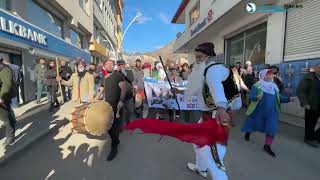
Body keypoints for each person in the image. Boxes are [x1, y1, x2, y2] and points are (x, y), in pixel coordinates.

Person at [183, 42, 239, 180]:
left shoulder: (212, 70)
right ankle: (201, 168)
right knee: (197, 142)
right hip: (209, 116)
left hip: (217, 116)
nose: (197, 60)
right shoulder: (207, 70)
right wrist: (178, 90)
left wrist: (221, 108)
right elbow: (200, 89)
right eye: (196, 57)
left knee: (213, 156)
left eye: (200, 57)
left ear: (208, 56)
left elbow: (216, 89)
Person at [241, 69, 294, 157]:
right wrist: (256, 97)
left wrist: (288, 99)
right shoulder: (257, 85)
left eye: (271, 74)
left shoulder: (274, 86)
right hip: (259, 111)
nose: (269, 76)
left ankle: (267, 146)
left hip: (272, 112)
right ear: (262, 75)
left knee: (271, 128)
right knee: (253, 124)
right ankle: (248, 132)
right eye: (267, 74)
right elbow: (251, 97)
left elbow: (279, 97)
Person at [95, 59, 130, 161]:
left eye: (111, 64)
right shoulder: (104, 77)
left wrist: (121, 101)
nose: (109, 66)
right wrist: (95, 99)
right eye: (107, 64)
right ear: (104, 66)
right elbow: (102, 89)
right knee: (108, 126)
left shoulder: (117, 75)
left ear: (113, 66)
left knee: (114, 128)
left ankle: (114, 148)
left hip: (116, 106)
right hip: (107, 106)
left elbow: (123, 89)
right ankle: (116, 140)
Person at [297, 63, 320, 148]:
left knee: (312, 123)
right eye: (318, 68)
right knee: (310, 124)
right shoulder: (309, 78)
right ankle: (308, 139)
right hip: (311, 105)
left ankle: (316, 137)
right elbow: (301, 91)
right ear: (315, 69)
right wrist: (305, 103)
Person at [0, 57, 17, 148]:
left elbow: (7, 84)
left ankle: (10, 137)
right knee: (8, 114)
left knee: (5, 117)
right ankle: (13, 121)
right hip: (3, 97)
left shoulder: (5, 69)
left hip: (2, 97)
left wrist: (1, 97)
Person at [115, 59, 135, 124]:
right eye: (119, 65)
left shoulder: (129, 71)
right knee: (121, 111)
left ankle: (130, 122)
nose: (120, 66)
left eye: (122, 64)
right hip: (119, 96)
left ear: (124, 65)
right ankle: (122, 125)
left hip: (128, 95)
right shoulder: (115, 72)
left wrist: (125, 73)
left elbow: (131, 79)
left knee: (129, 110)